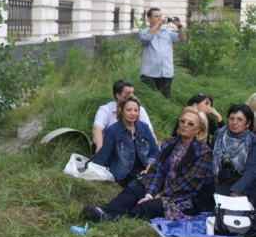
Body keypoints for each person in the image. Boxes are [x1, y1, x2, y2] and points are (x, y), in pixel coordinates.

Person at [80, 106, 214, 222]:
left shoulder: (203, 152)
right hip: (160, 188)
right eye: (182, 121)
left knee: (146, 206)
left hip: (184, 198)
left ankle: (116, 219)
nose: (185, 125)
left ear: (199, 130)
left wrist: (159, 195)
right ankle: (102, 211)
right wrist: (150, 193)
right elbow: (157, 170)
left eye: (191, 124)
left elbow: (188, 183)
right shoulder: (169, 143)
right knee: (133, 192)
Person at [92, 95, 159, 187]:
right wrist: (95, 172)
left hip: (144, 170)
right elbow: (104, 155)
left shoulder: (144, 127)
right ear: (121, 110)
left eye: (136, 110)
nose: (133, 113)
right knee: (140, 188)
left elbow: (154, 150)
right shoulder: (113, 130)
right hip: (124, 174)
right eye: (129, 110)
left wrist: (150, 165)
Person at [92, 79, 155, 153]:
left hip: (133, 147)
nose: (131, 96)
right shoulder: (105, 109)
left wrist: (155, 150)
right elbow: (97, 129)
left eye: (133, 93)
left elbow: (150, 131)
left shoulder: (140, 109)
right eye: (128, 93)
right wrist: (100, 148)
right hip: (110, 146)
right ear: (118, 95)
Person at [211, 104, 256, 205]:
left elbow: (250, 171)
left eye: (240, 119)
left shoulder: (252, 142)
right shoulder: (219, 134)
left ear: (247, 123)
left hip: (242, 183)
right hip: (218, 181)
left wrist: (236, 191)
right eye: (232, 118)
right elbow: (211, 159)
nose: (234, 122)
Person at [138, 7, 186, 98]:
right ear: (149, 19)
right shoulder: (143, 32)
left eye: (160, 16)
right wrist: (158, 24)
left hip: (166, 73)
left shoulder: (167, 32)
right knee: (150, 99)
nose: (160, 18)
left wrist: (179, 26)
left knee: (165, 99)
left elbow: (182, 38)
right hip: (149, 74)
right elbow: (146, 38)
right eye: (156, 16)